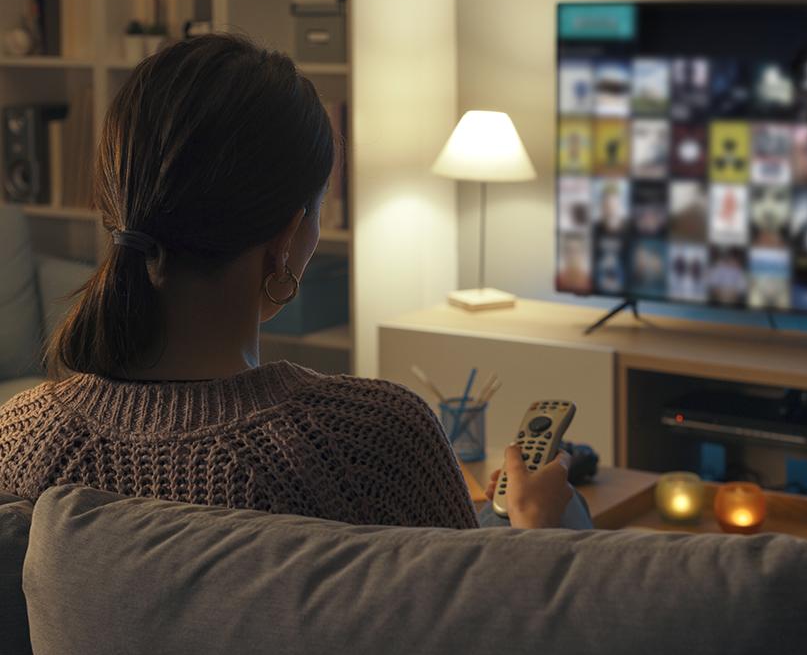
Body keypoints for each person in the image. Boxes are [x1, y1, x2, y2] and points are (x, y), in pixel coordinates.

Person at [0, 34, 573, 531]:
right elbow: (474, 643)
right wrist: (538, 533)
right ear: (287, 238)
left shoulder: (18, 441)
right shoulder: (377, 441)